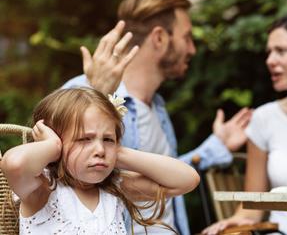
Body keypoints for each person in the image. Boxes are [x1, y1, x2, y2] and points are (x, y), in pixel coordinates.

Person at [63, 0, 252, 234]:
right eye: (187, 38)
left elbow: (155, 179)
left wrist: (215, 148)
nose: (192, 49)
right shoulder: (83, 92)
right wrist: (97, 92)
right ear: (160, 38)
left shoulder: (157, 107)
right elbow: (54, 174)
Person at [1, 87, 200, 235]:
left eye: (107, 139)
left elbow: (187, 180)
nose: (99, 150)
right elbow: (15, 164)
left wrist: (119, 154)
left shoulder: (114, 189)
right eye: (84, 139)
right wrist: (53, 147)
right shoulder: (42, 189)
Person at [201, 12, 287, 235]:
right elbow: (253, 207)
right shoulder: (265, 119)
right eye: (269, 52)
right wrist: (237, 220)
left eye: (281, 51)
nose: (270, 60)